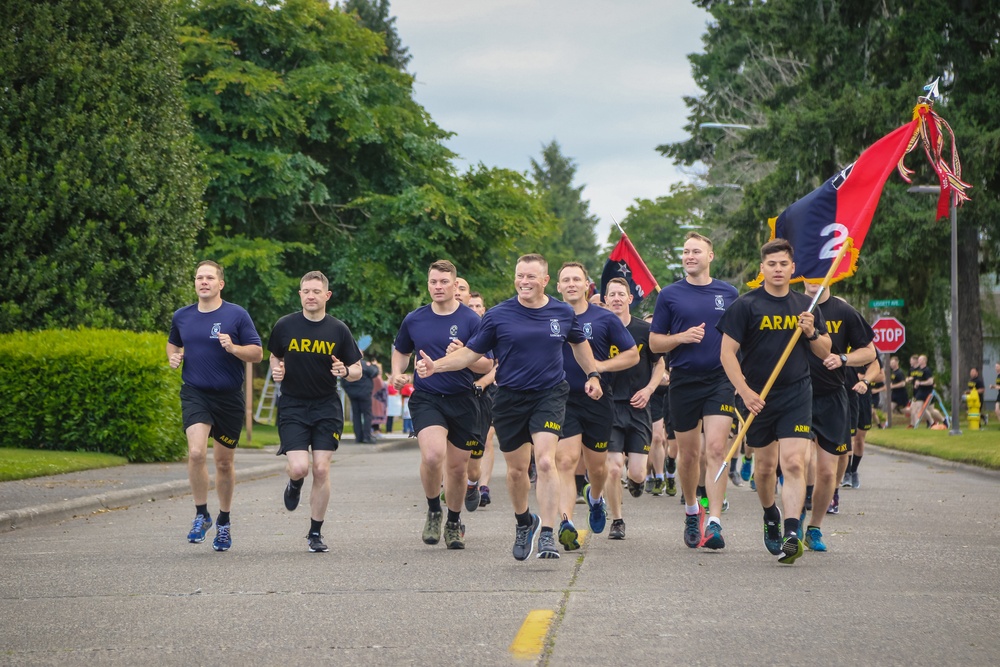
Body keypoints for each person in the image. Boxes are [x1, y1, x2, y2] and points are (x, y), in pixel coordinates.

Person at [416, 253, 603, 561]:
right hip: (510, 397)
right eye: (520, 275)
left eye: (531, 277)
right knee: (516, 471)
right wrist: (436, 366)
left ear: (544, 281)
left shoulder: (562, 312)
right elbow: (470, 354)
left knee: (545, 461)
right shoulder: (498, 315)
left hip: (550, 394)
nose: (524, 282)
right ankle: (523, 522)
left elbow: (579, 344)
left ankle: (546, 533)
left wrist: (592, 373)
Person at [717, 239, 831, 564]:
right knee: (765, 469)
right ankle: (771, 514)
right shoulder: (746, 305)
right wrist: (744, 391)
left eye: (784, 264)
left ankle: (793, 532)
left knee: (794, 462)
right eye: (772, 264)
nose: (778, 269)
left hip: (796, 392)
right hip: (758, 397)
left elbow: (825, 352)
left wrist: (811, 333)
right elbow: (727, 354)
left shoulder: (807, 307)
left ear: (793, 268)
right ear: (762, 268)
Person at [390, 260, 493, 549]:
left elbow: (487, 364)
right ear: (428, 284)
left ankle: (453, 521)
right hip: (427, 398)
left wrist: (466, 354)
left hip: (462, 399)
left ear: (455, 284)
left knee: (458, 469)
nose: (438, 287)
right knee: (433, 456)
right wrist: (398, 373)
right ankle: (434, 509)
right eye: (433, 282)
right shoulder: (415, 319)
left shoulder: (472, 320)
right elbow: (401, 350)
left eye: (444, 282)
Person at [649, 232, 738, 551]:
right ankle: (691, 510)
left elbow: (741, 337)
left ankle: (714, 522)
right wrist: (681, 338)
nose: (689, 256)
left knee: (715, 450)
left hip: (720, 380)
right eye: (685, 251)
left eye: (696, 251)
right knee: (688, 455)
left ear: (710, 256)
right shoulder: (670, 295)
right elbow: (654, 342)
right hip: (684, 380)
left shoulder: (729, 293)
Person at [167, 260, 263, 552]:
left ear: (221, 284)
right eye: (199, 277)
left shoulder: (236, 315)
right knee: (196, 452)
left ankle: (223, 520)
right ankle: (201, 514)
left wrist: (234, 348)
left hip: (229, 398)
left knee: (223, 463)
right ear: (194, 283)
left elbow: (257, 353)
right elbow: (173, 343)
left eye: (209, 277)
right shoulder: (182, 316)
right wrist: (173, 357)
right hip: (195, 393)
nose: (203, 282)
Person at [268, 271, 363, 552]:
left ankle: (315, 533)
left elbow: (357, 369)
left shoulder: (338, 330)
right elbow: (275, 354)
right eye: (305, 291)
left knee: (321, 469)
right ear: (300, 295)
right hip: (293, 405)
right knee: (300, 467)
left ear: (326, 296)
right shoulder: (284, 326)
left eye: (315, 291)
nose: (310, 296)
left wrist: (345, 370)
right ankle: (295, 483)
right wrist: (277, 368)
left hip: (326, 406)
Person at [552, 266, 638, 549]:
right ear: (558, 286)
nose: (572, 284)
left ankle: (596, 498)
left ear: (587, 285)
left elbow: (632, 355)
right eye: (566, 279)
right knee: (564, 461)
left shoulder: (604, 318)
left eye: (577, 279)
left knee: (597, 468)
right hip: (561, 398)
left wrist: (599, 367)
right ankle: (566, 523)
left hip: (598, 400)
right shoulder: (548, 316)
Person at [799, 281, 875, 551]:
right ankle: (794, 517)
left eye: (821, 273)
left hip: (832, 396)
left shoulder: (844, 311)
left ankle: (814, 528)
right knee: (799, 461)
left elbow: (869, 352)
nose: (814, 280)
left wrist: (843, 359)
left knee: (828, 472)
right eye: (809, 273)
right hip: (797, 395)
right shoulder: (792, 305)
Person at [602, 277, 662, 540]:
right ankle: (617, 519)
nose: (616, 298)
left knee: (636, 471)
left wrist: (649, 389)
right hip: (609, 406)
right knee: (614, 467)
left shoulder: (644, 330)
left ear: (630, 299)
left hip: (639, 407)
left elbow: (660, 364)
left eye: (620, 294)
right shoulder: (598, 330)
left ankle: (637, 483)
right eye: (611, 294)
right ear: (605, 300)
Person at [468, 291, 498, 508]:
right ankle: (465, 480)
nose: (475, 310)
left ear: (484, 309)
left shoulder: (492, 331)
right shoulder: (462, 331)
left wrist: (483, 382)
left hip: (487, 389)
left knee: (486, 438)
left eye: (478, 306)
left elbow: (498, 364)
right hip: (461, 390)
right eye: (471, 306)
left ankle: (483, 486)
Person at [344, 356, 379, 442]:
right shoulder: (363, 364)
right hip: (365, 393)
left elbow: (343, 381)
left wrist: (349, 391)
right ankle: (367, 437)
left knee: (356, 415)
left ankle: (358, 437)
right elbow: (374, 372)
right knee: (367, 414)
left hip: (352, 394)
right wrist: (375, 366)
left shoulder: (347, 366)